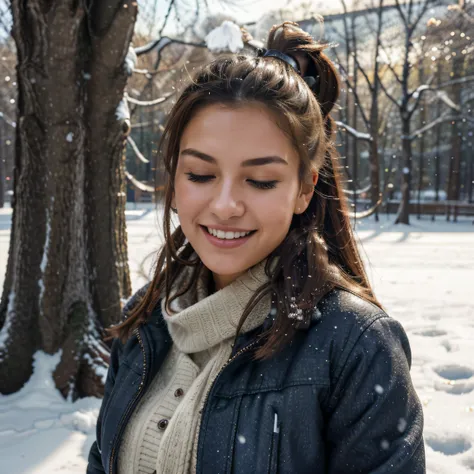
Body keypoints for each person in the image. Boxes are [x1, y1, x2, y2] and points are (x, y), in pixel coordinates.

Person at [87, 21, 425, 474]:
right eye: (200, 175)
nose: (225, 206)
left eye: (261, 180)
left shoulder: (356, 349)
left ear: (304, 189)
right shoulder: (144, 321)